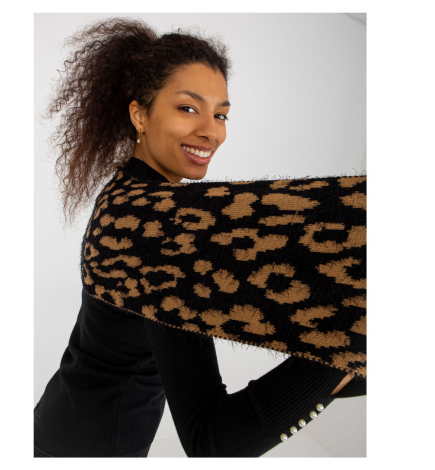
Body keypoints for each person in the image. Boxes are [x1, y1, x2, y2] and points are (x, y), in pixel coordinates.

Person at [34, 17, 365, 458]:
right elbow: (213, 443)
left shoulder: (130, 194)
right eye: (188, 108)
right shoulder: (150, 224)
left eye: (220, 114)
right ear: (140, 114)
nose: (212, 131)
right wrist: (345, 355)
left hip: (59, 423)